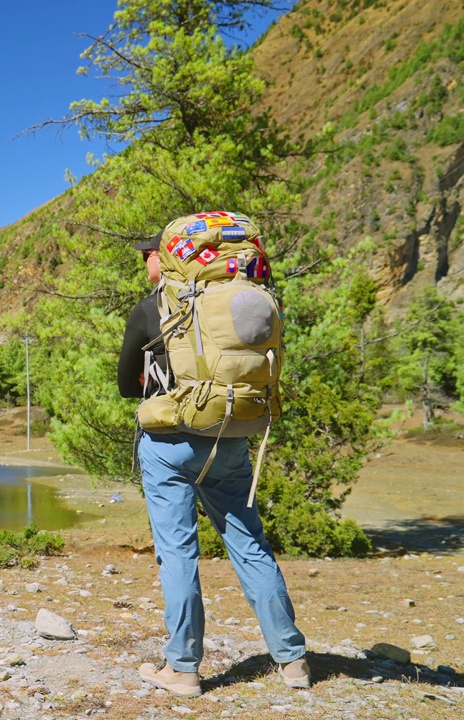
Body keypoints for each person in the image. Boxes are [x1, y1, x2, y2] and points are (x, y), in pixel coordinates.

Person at [117, 229, 309, 698]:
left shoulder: (150, 309)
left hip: (168, 446)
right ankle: (293, 661)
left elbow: (126, 385)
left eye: (149, 256)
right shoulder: (239, 300)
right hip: (228, 438)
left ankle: (182, 669)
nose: (146, 264)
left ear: (166, 259)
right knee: (249, 545)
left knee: (179, 553)